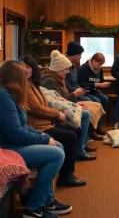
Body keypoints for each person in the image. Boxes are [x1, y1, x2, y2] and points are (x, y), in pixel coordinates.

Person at [0, 60, 72, 218]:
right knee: (57, 154)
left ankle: (47, 200)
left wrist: (43, 136)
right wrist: (45, 140)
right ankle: (34, 208)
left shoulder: (9, 95)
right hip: (6, 149)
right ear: (15, 78)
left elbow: (21, 127)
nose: (25, 81)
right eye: (23, 77)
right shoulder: (4, 97)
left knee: (58, 145)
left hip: (11, 143)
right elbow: (16, 133)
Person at [19, 55, 86, 187]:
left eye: (27, 67)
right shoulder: (26, 86)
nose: (23, 69)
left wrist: (55, 116)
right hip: (37, 127)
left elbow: (45, 104)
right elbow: (36, 108)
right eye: (21, 67)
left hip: (43, 122)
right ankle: (66, 176)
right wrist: (57, 114)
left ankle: (67, 171)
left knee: (75, 130)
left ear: (33, 69)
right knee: (70, 135)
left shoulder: (33, 84)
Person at [40, 50, 96, 161]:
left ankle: (82, 145)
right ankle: (79, 150)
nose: (68, 72)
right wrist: (75, 96)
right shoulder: (49, 81)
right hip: (55, 114)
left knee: (86, 109)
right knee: (85, 114)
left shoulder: (57, 78)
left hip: (62, 109)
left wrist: (75, 104)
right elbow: (56, 103)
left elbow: (60, 100)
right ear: (58, 68)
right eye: (65, 69)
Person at [65, 41, 106, 138]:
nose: (80, 57)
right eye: (79, 54)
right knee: (91, 101)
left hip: (81, 90)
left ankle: (97, 127)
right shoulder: (78, 68)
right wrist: (83, 88)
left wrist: (94, 87)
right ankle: (90, 132)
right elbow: (69, 86)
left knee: (103, 99)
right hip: (73, 93)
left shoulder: (73, 66)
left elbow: (76, 83)